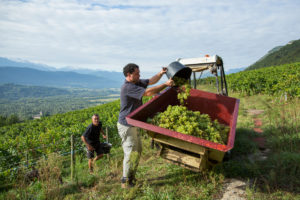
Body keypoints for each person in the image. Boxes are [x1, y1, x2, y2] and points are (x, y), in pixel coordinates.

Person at [117, 63, 174, 188]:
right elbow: (148, 93)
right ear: (129, 75)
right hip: (126, 125)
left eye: (139, 73)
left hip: (133, 123)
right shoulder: (127, 87)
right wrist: (165, 84)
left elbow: (150, 81)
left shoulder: (136, 82)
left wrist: (161, 73)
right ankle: (125, 182)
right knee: (130, 152)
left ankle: (131, 177)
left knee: (137, 151)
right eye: (137, 73)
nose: (139, 75)